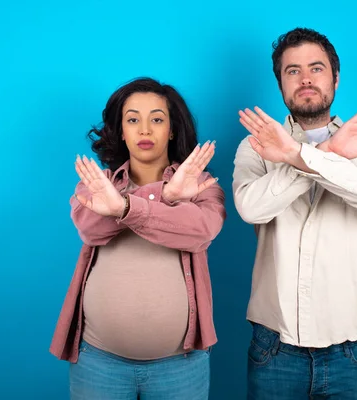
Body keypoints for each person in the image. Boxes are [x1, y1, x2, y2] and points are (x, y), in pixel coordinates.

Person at [232, 27, 357, 399]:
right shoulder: (255, 145)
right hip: (275, 346)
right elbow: (251, 207)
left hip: (354, 348)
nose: (305, 78)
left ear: (335, 78)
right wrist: (332, 154)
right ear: (280, 83)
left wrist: (298, 157)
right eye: (292, 71)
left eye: (316, 68)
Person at [49, 77, 226, 400]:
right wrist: (165, 196)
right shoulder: (97, 184)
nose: (145, 130)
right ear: (121, 130)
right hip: (98, 363)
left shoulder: (202, 186)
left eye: (157, 119)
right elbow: (91, 229)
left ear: (171, 129)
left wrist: (124, 207)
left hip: (181, 366)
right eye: (133, 120)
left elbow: (200, 232)